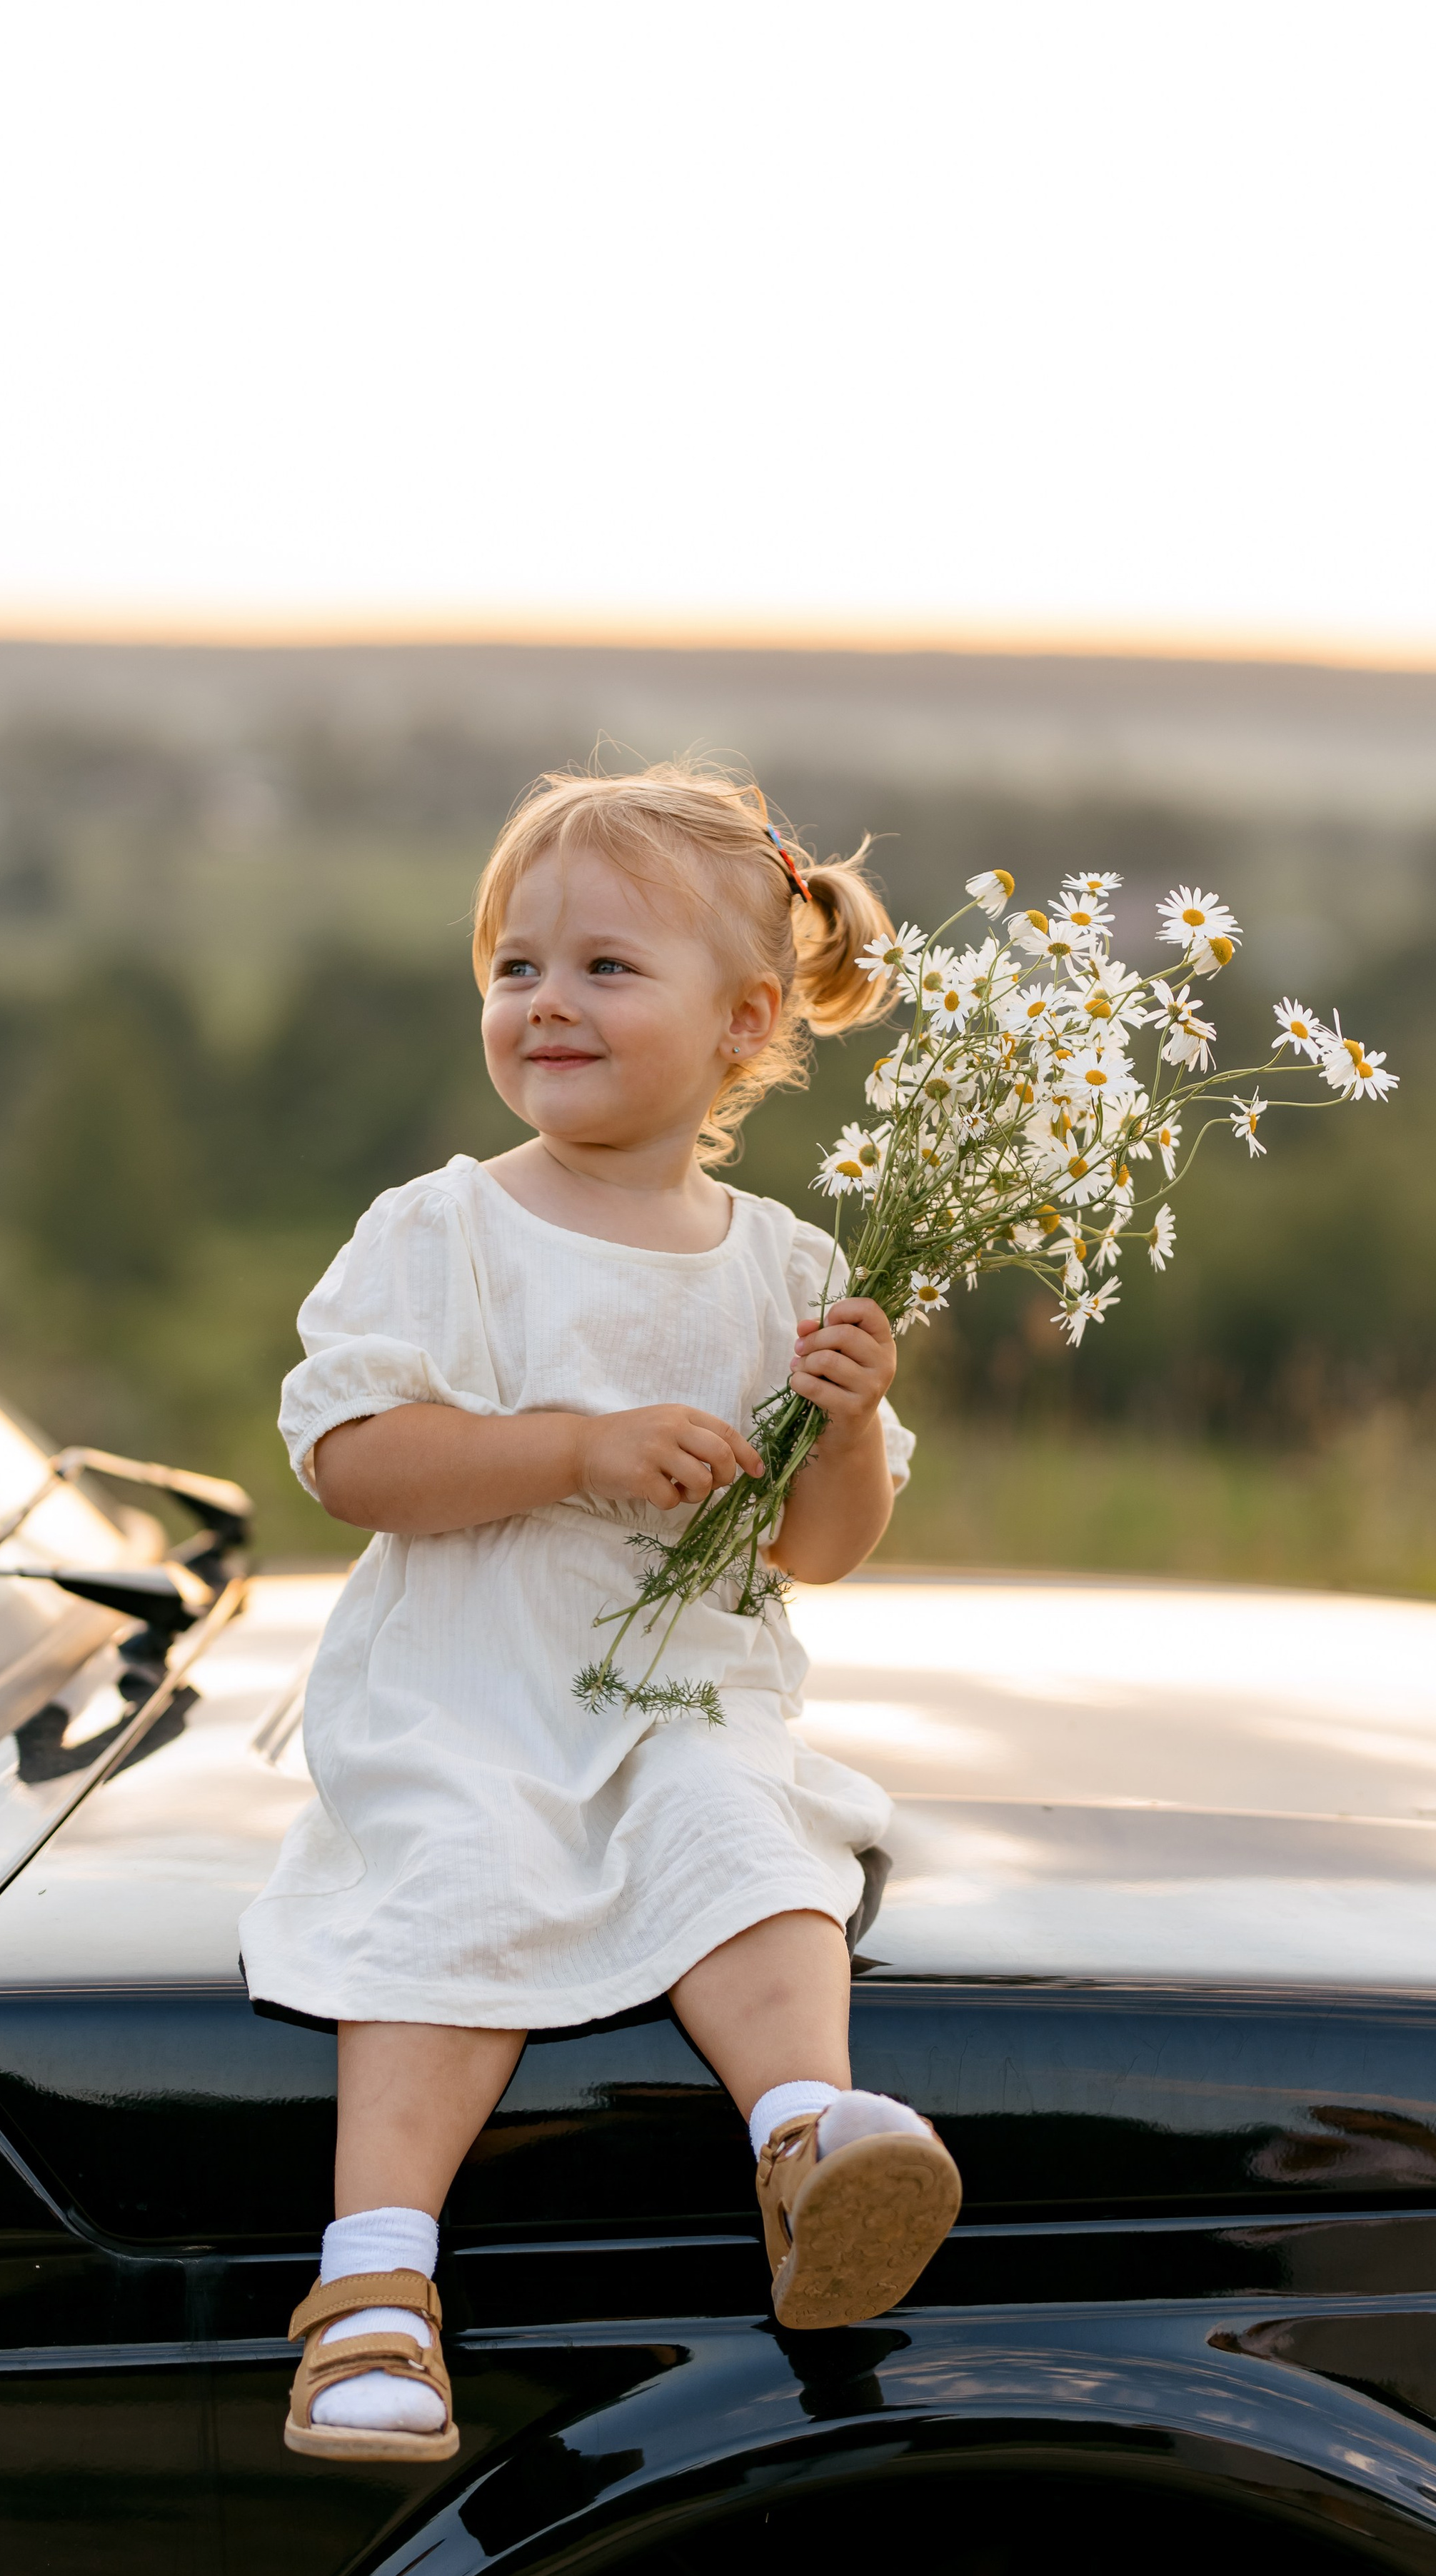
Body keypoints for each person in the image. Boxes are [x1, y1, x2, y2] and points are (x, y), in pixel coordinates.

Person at [241, 763, 962, 2463]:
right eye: (516, 966)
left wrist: (846, 1425)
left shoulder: (785, 1268)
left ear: (744, 1020)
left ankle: (807, 2146)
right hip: (469, 1689)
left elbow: (818, 1552)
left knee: (749, 1851)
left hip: (683, 1694)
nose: (545, 1001)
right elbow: (351, 1460)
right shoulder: (446, 1231)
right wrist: (571, 1447)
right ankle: (373, 2285)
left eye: (603, 967)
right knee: (451, 1886)